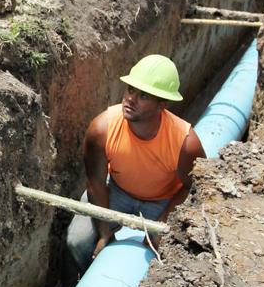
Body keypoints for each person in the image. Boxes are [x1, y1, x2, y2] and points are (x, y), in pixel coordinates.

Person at [67, 54, 206, 269]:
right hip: (117, 193)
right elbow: (95, 183)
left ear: (162, 104)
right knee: (78, 241)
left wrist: (162, 222)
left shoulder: (185, 144)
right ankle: (76, 283)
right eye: (130, 90)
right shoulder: (102, 129)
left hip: (163, 201)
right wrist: (105, 234)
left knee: (168, 252)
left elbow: (195, 188)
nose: (130, 99)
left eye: (143, 96)